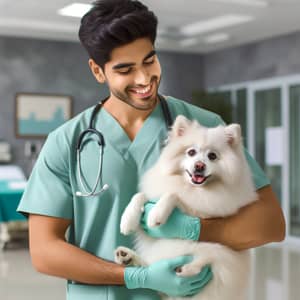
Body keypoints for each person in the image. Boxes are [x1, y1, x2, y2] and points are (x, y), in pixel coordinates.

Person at [17, 0, 285, 299]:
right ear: (98, 71)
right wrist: (136, 276)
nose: (144, 79)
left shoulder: (206, 129)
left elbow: (270, 225)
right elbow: (44, 251)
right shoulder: (67, 141)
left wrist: (192, 230)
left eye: (149, 61)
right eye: (126, 69)